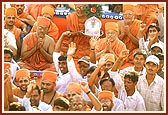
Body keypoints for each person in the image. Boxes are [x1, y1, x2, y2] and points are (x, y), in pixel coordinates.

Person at [117, 4, 143, 69]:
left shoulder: (139, 24)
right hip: (121, 49)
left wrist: (129, 34)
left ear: (134, 15)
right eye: (125, 14)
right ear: (123, 15)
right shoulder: (119, 24)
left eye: (130, 14)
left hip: (133, 50)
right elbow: (115, 41)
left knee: (137, 53)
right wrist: (123, 34)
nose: (127, 16)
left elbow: (139, 43)